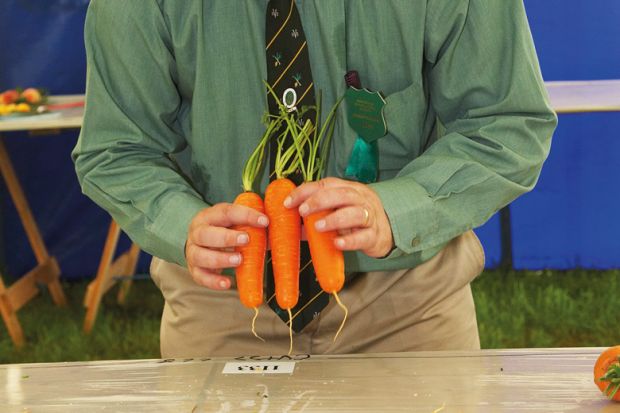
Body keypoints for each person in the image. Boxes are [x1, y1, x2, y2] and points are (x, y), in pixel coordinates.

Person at [73, 0, 557, 358]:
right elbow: (115, 148)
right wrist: (183, 224)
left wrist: (401, 208)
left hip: (408, 303)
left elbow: (507, 122)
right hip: (223, 301)